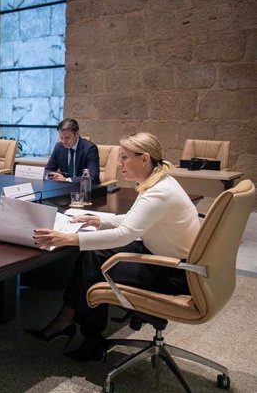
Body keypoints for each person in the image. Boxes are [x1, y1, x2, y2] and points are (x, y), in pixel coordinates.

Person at [29, 132, 200, 361]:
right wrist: (98, 220)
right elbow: (133, 219)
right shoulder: (158, 180)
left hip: (174, 272)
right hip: (165, 256)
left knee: (96, 266)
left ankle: (90, 336)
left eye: (124, 158)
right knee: (92, 255)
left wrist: (69, 239)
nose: (118, 164)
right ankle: (68, 320)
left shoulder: (159, 192)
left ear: (144, 158)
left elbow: (125, 234)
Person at [45, 118, 100, 184]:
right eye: (61, 137)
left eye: (67, 138)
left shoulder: (90, 148)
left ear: (76, 133)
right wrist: (52, 175)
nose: (63, 141)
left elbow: (93, 177)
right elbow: (48, 170)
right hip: (64, 189)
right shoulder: (58, 147)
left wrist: (66, 180)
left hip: (85, 189)